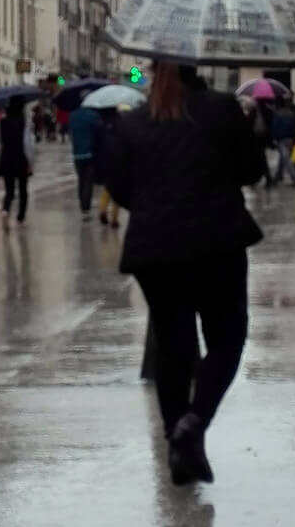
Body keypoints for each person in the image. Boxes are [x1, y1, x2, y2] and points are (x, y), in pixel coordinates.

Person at [108, 61, 266, 485]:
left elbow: (120, 188)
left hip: (155, 250)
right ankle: (193, 423)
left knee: (173, 347)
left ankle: (176, 445)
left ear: (153, 69)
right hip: (217, 242)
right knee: (228, 338)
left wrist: (157, 202)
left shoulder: (135, 123)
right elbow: (253, 170)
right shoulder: (221, 109)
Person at [0, 95, 34, 230]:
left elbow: (0, 140)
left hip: (6, 157)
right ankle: (20, 217)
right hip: (20, 158)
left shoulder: (2, 121)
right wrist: (30, 161)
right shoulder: (24, 122)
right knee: (23, 189)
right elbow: (27, 144)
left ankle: (5, 210)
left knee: (9, 191)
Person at [69, 99, 100, 221]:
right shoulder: (93, 116)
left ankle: (82, 205)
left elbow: (71, 132)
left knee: (81, 181)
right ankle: (86, 208)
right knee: (88, 181)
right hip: (90, 153)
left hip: (77, 154)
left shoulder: (73, 116)